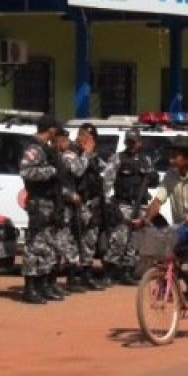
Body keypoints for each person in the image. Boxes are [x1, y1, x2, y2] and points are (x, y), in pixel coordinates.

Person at [140, 136, 188, 319]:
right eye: (171, 155)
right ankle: (177, 284)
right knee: (164, 255)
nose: (171, 159)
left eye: (175, 156)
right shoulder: (171, 175)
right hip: (184, 226)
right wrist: (145, 219)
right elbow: (158, 200)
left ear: (187, 158)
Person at [19, 114, 64, 304]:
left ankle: (42, 284)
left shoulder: (47, 149)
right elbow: (26, 171)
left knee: (48, 245)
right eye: (56, 129)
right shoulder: (34, 148)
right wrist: (51, 171)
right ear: (50, 129)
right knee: (34, 245)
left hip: (50, 202)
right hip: (39, 202)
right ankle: (29, 287)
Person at [102, 128, 157, 285]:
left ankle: (127, 272)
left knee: (134, 241)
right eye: (129, 142)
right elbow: (107, 182)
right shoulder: (118, 158)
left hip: (140, 206)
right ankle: (109, 272)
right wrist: (109, 203)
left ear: (140, 142)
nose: (132, 145)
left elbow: (154, 182)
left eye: (134, 142)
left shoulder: (146, 160)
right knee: (119, 239)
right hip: (123, 204)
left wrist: (152, 176)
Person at [74, 122, 110, 289]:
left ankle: (86, 274)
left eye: (91, 138)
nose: (89, 141)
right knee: (80, 239)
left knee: (91, 239)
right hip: (81, 203)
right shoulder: (74, 153)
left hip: (94, 203)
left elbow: (105, 172)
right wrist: (86, 154)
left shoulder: (95, 157)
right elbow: (77, 172)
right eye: (85, 136)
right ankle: (76, 275)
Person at [51, 126, 87, 294]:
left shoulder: (65, 155)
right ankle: (51, 282)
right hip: (59, 205)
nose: (68, 142)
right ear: (56, 140)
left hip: (69, 206)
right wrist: (85, 154)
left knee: (71, 240)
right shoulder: (57, 157)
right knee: (59, 243)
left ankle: (71, 279)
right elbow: (76, 172)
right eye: (64, 140)